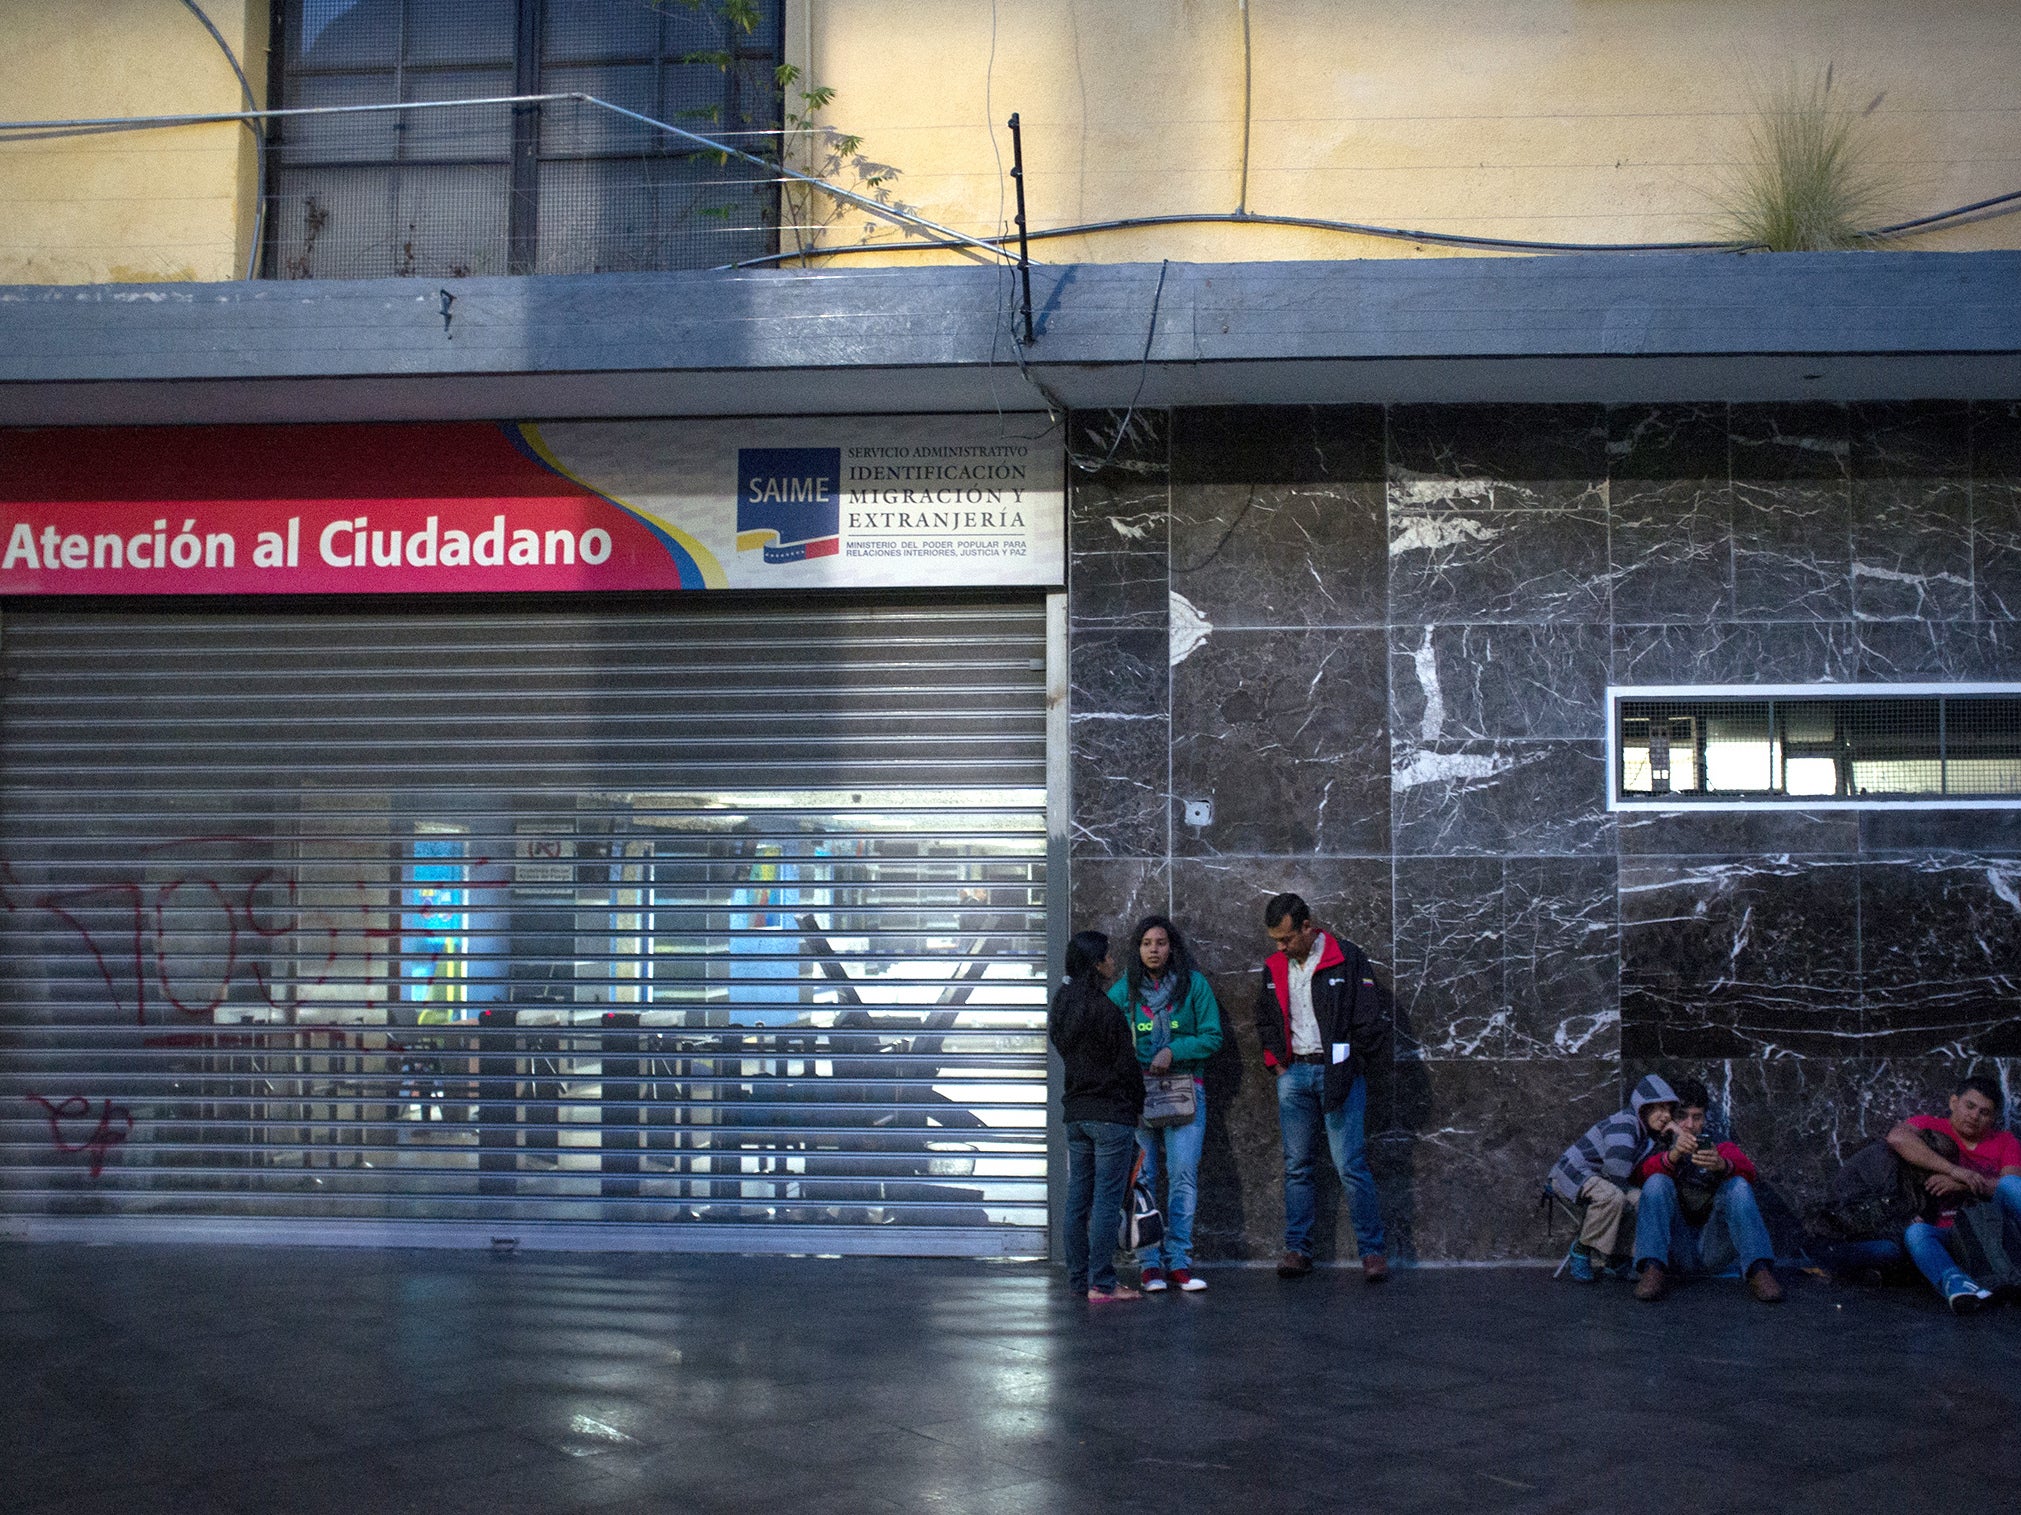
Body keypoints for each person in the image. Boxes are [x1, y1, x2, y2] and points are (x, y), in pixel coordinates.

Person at [1252, 892, 1391, 1282]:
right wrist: (1276, 1063)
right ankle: (1297, 1250)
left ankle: (1372, 1252)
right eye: (1275, 941)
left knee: (1351, 1165)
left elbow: (1368, 1017)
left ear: (1307, 927)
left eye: (1287, 938)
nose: (1281, 947)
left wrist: (1351, 1064)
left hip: (1338, 1073)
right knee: (1297, 1166)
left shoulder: (1346, 958)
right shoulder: (1275, 966)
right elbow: (1264, 1017)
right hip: (1294, 1073)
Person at [1109, 914, 1223, 1293]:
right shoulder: (1125, 991)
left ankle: (1179, 1261)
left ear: (1171, 947)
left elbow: (1212, 1036)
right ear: (1137, 949)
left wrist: (1174, 1049)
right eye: (1146, 943)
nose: (1153, 950)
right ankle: (1149, 1264)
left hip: (1185, 1092)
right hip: (1139, 1095)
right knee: (1143, 1180)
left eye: (1160, 942)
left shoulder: (1194, 986)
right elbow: (1104, 1035)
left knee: (1183, 1176)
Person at [1049, 930, 1145, 1301]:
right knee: (1106, 1201)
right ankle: (1102, 1283)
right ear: (1095, 963)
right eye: (1106, 956)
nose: (1112, 961)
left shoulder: (1063, 1006)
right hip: (1111, 1115)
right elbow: (1127, 1067)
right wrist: (1136, 1107)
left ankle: (1078, 1280)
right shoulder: (1106, 1011)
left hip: (1076, 1113)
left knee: (1078, 1201)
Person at [1628, 1078, 1783, 1303]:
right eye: (1682, 1116)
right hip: (1674, 1249)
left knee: (1738, 1185)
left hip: (1713, 1245)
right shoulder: (1656, 1142)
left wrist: (1721, 1165)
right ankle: (1651, 1269)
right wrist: (1672, 1155)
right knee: (1656, 1182)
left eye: (1697, 1117)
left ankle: (1759, 1270)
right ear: (1671, 1116)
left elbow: (1749, 1172)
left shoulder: (1716, 1142)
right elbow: (1637, 1176)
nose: (1690, 1125)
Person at [1885, 1074, 2021, 1315]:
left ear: (1993, 1118)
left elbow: (2011, 1184)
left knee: (2010, 1184)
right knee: (1916, 1233)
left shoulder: (2004, 1141)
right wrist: (1954, 1171)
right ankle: (1958, 1286)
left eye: (1984, 1112)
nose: (1974, 1116)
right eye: (1970, 1106)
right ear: (1953, 1102)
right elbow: (1897, 1137)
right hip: (1950, 1233)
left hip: (1995, 1228)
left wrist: (1965, 1184)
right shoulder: (1930, 1125)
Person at [1546, 1073, 1678, 1282]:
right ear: (1643, 1106)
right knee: (1613, 1196)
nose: (1666, 1116)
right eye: (1660, 1108)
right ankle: (1582, 1249)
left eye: (1669, 1110)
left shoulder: (1646, 1137)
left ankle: (1617, 1257)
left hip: (1599, 1179)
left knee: (1641, 1199)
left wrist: (1673, 1140)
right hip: (1571, 1175)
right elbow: (1616, 1172)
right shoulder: (1625, 1122)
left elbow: (1641, 1175)